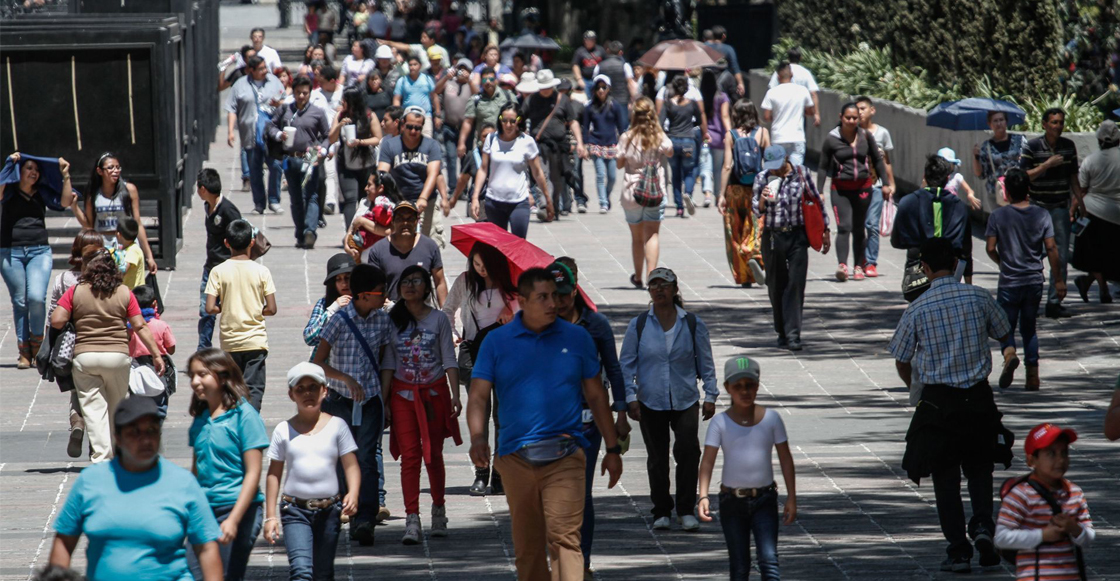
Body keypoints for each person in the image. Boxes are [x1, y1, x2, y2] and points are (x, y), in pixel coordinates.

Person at [467, 267, 623, 581]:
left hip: (565, 455)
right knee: (528, 548)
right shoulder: (496, 342)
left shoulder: (577, 337)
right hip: (515, 459)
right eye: (543, 297)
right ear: (522, 301)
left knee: (564, 539)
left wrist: (612, 447)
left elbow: (595, 395)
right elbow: (479, 396)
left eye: (555, 295)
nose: (553, 303)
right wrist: (478, 437)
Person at [889, 238, 1015, 574]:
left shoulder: (918, 307)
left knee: (945, 479)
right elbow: (1004, 330)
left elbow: (900, 357)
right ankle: (984, 528)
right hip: (978, 398)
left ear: (925, 269)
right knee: (979, 468)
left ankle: (958, 551)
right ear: (956, 262)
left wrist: (914, 386)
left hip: (939, 401)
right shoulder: (977, 296)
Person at [50, 397, 222, 581]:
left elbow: (206, 548)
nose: (146, 439)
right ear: (118, 438)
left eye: (152, 431)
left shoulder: (183, 483)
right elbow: (64, 541)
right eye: (135, 432)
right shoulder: (90, 482)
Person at [619, 267, 717, 532]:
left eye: (665, 285)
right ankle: (661, 510)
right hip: (650, 399)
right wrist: (630, 397)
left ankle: (686, 509)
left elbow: (706, 362)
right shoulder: (639, 325)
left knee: (688, 451)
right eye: (654, 286)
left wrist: (711, 394)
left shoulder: (692, 323)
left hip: (685, 398)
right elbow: (626, 364)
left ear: (675, 290)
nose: (659, 290)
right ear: (649, 292)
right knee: (657, 457)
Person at [551, 259, 631, 576]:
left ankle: (581, 562)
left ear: (575, 291)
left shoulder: (595, 325)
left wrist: (621, 412)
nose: (558, 302)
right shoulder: (539, 324)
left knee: (581, 494)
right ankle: (560, 557)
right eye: (552, 295)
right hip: (550, 422)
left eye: (564, 295)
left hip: (587, 421)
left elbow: (613, 369)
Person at [50, 249, 165, 462]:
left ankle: (101, 457)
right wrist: (156, 355)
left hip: (85, 358)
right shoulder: (124, 292)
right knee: (117, 406)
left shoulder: (76, 291)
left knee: (94, 411)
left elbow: (57, 320)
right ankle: (117, 455)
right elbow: (140, 326)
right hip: (118, 357)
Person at [380, 266, 462, 544]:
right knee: (410, 457)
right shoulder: (393, 320)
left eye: (416, 281)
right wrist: (385, 399)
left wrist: (455, 394)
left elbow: (449, 358)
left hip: (434, 396)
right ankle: (411, 519)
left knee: (433, 455)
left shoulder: (439, 319)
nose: (409, 286)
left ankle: (438, 509)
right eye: (405, 282)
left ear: (427, 288)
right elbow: (389, 362)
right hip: (402, 397)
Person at [312, 264, 393, 544]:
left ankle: (365, 519)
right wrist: (345, 378)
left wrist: (383, 396)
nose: (385, 297)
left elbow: (385, 360)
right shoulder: (338, 321)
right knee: (342, 458)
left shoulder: (382, 320)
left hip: (370, 400)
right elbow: (318, 362)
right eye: (381, 292)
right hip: (340, 401)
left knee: (367, 458)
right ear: (363, 295)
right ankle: (344, 507)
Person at [697, 356, 796, 581]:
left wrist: (791, 497)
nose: (745, 391)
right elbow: (708, 461)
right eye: (738, 386)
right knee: (739, 565)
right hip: (731, 502)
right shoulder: (720, 423)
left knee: (769, 560)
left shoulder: (772, 419)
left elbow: (785, 459)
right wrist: (703, 495)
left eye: (750, 385)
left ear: (758, 386)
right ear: (727, 388)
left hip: (765, 500)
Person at [264, 362, 361, 579]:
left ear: (324, 391)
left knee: (323, 573)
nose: (307, 393)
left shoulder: (338, 426)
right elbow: (273, 474)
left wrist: (353, 492)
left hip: (330, 510)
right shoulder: (283, 430)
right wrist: (270, 516)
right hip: (294, 509)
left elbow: (351, 464)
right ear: (291, 395)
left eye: (313, 387)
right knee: (301, 572)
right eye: (300, 389)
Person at [186, 349, 269, 581]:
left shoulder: (245, 415)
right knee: (192, 573)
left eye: (202, 374)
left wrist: (233, 519)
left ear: (222, 377)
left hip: (238, 510)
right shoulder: (200, 417)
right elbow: (197, 469)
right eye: (192, 375)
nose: (195, 382)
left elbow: (253, 473)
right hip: (204, 510)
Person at [442, 242, 517, 495]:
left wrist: (512, 309)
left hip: (507, 354)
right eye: (476, 264)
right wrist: (453, 334)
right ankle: (481, 473)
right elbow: (448, 311)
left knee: (503, 417)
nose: (481, 270)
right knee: (480, 413)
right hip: (476, 353)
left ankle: (500, 473)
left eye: (485, 265)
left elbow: (529, 311)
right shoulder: (465, 281)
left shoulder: (511, 282)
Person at [984, 168, 1063, 391]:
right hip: (1033, 281)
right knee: (1029, 328)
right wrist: (1058, 280)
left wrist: (1002, 262)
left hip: (1009, 281)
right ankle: (1033, 377)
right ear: (1028, 190)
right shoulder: (1041, 215)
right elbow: (1051, 247)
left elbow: (990, 247)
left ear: (1006, 192)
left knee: (1005, 327)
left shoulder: (997, 216)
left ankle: (1009, 354)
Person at [753, 145, 831, 350]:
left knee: (796, 285)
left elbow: (816, 201)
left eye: (777, 166)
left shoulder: (802, 173)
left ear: (786, 159)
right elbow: (755, 209)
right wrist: (763, 197)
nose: (774, 170)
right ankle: (781, 330)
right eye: (770, 167)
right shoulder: (762, 177)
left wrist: (826, 230)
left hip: (797, 235)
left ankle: (794, 334)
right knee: (775, 284)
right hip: (773, 236)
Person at [1, 152, 74, 368]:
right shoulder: (9, 192)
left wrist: (66, 175)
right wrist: (8, 164)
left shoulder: (41, 192)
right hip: (10, 251)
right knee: (20, 302)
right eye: (28, 168)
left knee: (36, 298)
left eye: (36, 169)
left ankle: (38, 345)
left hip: (39, 251)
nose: (33, 172)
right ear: (20, 172)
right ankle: (25, 351)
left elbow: (65, 201)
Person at [994, 423, 1095, 578]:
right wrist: (1043, 535)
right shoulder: (1021, 494)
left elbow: (1088, 538)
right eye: (1051, 454)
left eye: (1064, 453)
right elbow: (1001, 538)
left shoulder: (1074, 493)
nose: (1060, 460)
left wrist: (1075, 529)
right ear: (1031, 460)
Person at [204, 219, 278, 411]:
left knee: (232, 390)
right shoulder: (262, 271)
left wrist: (225, 307)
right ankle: (250, 427)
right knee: (254, 390)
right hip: (255, 341)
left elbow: (210, 307)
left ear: (226, 243)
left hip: (230, 343)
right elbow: (271, 308)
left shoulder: (217, 272)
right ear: (252, 242)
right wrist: (256, 309)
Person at [1020, 108, 1083, 319]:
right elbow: (1024, 177)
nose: (1058, 126)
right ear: (1045, 124)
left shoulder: (1068, 147)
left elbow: (1074, 178)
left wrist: (1080, 203)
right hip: (1037, 206)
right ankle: (1028, 299)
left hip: (1059, 207)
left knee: (1061, 254)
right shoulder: (1032, 147)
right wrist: (1046, 165)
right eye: (1054, 122)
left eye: (1061, 122)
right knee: (1032, 255)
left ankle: (1054, 302)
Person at [816, 102, 889, 282]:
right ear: (841, 117)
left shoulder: (865, 136)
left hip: (863, 188)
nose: (851, 121)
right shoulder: (832, 139)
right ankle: (842, 265)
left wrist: (885, 183)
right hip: (840, 189)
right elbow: (823, 167)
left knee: (859, 228)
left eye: (854, 118)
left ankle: (858, 266)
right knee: (844, 227)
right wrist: (819, 191)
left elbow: (878, 161)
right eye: (848, 117)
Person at [47, 229, 103, 456]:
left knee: (77, 390)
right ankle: (96, 443)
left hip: (70, 345)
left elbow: (53, 315)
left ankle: (77, 421)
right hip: (100, 341)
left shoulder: (63, 280)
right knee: (99, 393)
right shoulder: (106, 280)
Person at [268, 75, 333, 249]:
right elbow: (271, 126)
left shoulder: (317, 112)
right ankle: (300, 233)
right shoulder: (285, 110)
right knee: (296, 198)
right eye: (298, 93)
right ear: (294, 93)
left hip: (310, 155)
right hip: (290, 157)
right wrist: (278, 134)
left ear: (310, 93)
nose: (301, 96)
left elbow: (327, 136)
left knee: (311, 194)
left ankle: (310, 231)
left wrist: (323, 150)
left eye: (305, 93)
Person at [471, 103, 552, 236]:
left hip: (518, 202)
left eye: (512, 121)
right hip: (494, 201)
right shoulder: (491, 139)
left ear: (519, 121)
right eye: (504, 120)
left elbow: (537, 173)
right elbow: (483, 169)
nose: (508, 125)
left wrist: (547, 200)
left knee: (518, 246)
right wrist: (475, 197)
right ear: (500, 119)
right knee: (498, 248)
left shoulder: (527, 141)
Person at [618, 97, 673, 288]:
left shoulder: (627, 137)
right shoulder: (658, 135)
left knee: (637, 237)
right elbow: (670, 151)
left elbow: (619, 163)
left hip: (632, 190)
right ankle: (652, 276)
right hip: (654, 189)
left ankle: (639, 277)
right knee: (653, 235)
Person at [891, 155, 971, 283]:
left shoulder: (907, 202)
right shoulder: (959, 206)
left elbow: (896, 241)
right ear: (947, 179)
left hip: (916, 275)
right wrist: (968, 280)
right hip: (949, 275)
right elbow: (966, 249)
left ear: (925, 176)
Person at [520, 69, 585, 221]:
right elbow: (521, 118)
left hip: (559, 146)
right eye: (543, 87)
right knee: (543, 175)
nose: (546, 90)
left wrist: (580, 143)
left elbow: (572, 121)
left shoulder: (562, 100)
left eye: (548, 86)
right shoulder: (531, 100)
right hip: (539, 145)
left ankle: (553, 208)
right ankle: (543, 205)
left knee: (557, 179)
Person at [719, 100, 769, 288]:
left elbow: (727, 166)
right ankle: (754, 254)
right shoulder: (763, 133)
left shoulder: (731, 135)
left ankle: (744, 275)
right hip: (757, 188)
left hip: (736, 189)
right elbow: (770, 163)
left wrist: (721, 194)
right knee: (756, 225)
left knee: (735, 231)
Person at [225, 57, 286, 215]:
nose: (265, 71)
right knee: (255, 170)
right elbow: (231, 108)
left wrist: (278, 104)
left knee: (276, 166)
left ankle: (274, 200)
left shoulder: (274, 82)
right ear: (250, 70)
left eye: (265, 67)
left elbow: (285, 103)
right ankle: (259, 203)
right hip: (249, 136)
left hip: (271, 136)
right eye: (261, 68)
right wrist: (231, 131)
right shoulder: (240, 85)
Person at [378, 107, 446, 244]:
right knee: (399, 244)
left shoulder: (431, 145)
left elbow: (433, 173)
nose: (414, 131)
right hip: (398, 203)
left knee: (429, 245)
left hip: (426, 201)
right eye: (410, 127)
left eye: (418, 128)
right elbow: (382, 172)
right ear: (402, 124)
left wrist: (423, 198)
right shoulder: (389, 145)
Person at [83, 153, 158, 273]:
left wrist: (149, 256)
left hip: (126, 242)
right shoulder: (93, 194)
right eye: (110, 167)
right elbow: (89, 225)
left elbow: (137, 223)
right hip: (102, 243)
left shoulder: (129, 190)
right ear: (99, 171)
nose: (115, 171)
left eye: (118, 167)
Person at [1072, 119, 1120, 303]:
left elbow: (1080, 190)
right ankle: (1098, 287)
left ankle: (1097, 286)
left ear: (1099, 140)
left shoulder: (1091, 160)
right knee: (1112, 254)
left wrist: (1072, 211)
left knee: (1093, 254)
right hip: (1117, 215)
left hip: (1093, 212)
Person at [196, 169, 242, 352]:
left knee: (232, 311)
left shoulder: (228, 210)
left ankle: (235, 347)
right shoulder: (208, 206)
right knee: (205, 310)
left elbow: (242, 233)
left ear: (203, 189)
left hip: (228, 268)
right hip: (210, 268)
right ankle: (203, 350)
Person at [367, 200, 448, 303]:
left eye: (410, 219)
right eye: (400, 219)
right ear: (393, 221)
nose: (405, 223)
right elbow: (373, 286)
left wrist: (445, 313)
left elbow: (440, 282)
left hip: (422, 312)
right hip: (391, 313)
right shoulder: (378, 250)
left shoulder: (430, 247)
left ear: (417, 221)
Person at [330, 87, 384, 227]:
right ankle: (350, 233)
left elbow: (378, 138)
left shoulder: (369, 115)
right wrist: (339, 126)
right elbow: (331, 138)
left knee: (365, 198)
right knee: (350, 198)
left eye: (345, 99)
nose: (342, 101)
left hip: (367, 163)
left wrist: (360, 142)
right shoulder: (340, 115)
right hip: (346, 164)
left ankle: (366, 231)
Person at [855, 96, 896, 277]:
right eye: (857, 109)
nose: (860, 112)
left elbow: (886, 161)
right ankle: (859, 261)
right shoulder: (850, 132)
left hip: (876, 185)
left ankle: (871, 262)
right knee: (858, 225)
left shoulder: (882, 133)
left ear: (872, 110)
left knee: (872, 225)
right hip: (856, 186)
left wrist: (890, 183)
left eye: (863, 108)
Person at [581, 75, 628, 213]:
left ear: (609, 89)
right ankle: (603, 203)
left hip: (612, 144)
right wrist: (585, 145)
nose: (601, 90)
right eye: (598, 88)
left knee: (612, 177)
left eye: (604, 87)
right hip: (595, 142)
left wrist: (623, 144)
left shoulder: (615, 105)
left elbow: (621, 127)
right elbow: (585, 126)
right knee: (600, 174)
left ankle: (606, 197)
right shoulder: (589, 107)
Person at [128, 285, 176, 417]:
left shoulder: (129, 327)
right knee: (159, 401)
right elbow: (171, 349)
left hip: (135, 367)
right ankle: (156, 428)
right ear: (155, 303)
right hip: (158, 368)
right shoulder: (161, 325)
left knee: (137, 398)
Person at [662, 75, 705, 218]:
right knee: (689, 171)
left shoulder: (668, 103)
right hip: (688, 142)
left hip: (673, 141)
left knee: (675, 174)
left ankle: (679, 207)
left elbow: (660, 121)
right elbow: (699, 121)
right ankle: (688, 193)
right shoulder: (692, 104)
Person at [761, 62, 815, 167]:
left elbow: (766, 117)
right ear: (792, 75)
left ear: (778, 77)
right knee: (796, 172)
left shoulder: (771, 92)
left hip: (778, 137)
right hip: (797, 137)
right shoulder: (802, 91)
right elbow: (810, 111)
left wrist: (777, 116)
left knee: (778, 170)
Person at [435, 58, 476, 195]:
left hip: (467, 128)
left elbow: (478, 94)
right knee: (451, 157)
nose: (462, 71)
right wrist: (446, 77)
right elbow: (436, 91)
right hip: (449, 126)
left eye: (465, 69)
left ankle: (462, 189)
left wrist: (469, 80)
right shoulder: (449, 82)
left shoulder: (471, 84)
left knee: (465, 158)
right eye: (460, 68)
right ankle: (453, 188)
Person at [458, 66, 516, 158]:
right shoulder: (475, 100)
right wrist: (461, 143)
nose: (488, 82)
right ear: (481, 82)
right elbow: (468, 122)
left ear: (496, 80)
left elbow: (517, 118)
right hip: (484, 146)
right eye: (485, 80)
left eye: (491, 79)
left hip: (506, 144)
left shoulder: (508, 96)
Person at [972, 110, 1027, 207]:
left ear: (1006, 122)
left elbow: (1028, 162)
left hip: (1018, 191)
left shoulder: (1020, 140)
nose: (999, 123)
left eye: (1001, 120)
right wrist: (976, 157)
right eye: (995, 121)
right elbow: (981, 174)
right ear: (990, 124)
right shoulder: (986, 146)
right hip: (996, 193)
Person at [311, 66, 346, 217]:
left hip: (344, 136)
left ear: (333, 81)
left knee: (343, 172)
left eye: (323, 81)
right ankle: (330, 201)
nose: (320, 84)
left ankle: (343, 200)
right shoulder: (315, 94)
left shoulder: (343, 92)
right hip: (325, 137)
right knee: (329, 171)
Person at [305, 253, 355, 356]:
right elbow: (309, 337)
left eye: (347, 278)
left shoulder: (364, 302)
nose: (344, 284)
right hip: (327, 365)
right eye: (338, 279)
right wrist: (332, 310)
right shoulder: (323, 304)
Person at [699, 70, 732, 208]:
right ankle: (718, 195)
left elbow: (700, 117)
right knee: (718, 168)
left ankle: (707, 193)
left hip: (706, 137)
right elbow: (725, 116)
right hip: (719, 138)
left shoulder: (700, 97)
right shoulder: (722, 97)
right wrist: (730, 133)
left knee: (705, 165)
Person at [766, 47, 820, 127]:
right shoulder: (805, 73)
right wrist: (816, 114)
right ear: (800, 58)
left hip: (781, 112)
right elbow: (813, 94)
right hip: (799, 112)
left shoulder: (781, 71)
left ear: (788, 58)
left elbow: (772, 89)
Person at [393, 55, 440, 137]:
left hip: (426, 116)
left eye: (415, 64)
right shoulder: (402, 80)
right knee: (409, 140)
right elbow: (396, 99)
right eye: (410, 65)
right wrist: (397, 115)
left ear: (420, 66)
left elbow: (435, 97)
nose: (412, 67)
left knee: (427, 140)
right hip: (408, 116)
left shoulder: (427, 79)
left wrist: (438, 115)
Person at [378, 27, 450, 73]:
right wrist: (388, 42)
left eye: (425, 38)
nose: (422, 40)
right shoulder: (420, 48)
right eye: (421, 37)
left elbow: (446, 68)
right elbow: (405, 46)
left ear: (432, 40)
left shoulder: (443, 51)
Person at [705, 26, 745, 97]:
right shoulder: (728, 49)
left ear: (712, 36)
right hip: (723, 83)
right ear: (724, 36)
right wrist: (740, 83)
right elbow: (735, 68)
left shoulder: (705, 47)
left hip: (707, 80)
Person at [572, 30, 605, 98]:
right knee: (586, 99)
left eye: (592, 39)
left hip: (599, 79)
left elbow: (606, 63)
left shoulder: (600, 50)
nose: (590, 41)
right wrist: (579, 79)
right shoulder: (580, 51)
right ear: (585, 40)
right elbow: (575, 65)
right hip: (585, 80)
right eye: (588, 39)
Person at [114, 218, 144, 289]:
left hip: (133, 292)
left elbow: (123, 269)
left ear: (118, 234)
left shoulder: (132, 250)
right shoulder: (129, 248)